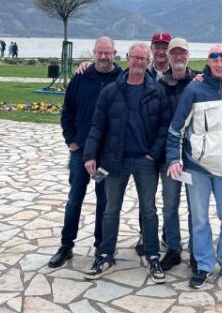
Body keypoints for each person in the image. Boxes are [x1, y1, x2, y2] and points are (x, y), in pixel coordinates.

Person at [82, 43, 170, 283]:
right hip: (115, 161)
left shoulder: (157, 90)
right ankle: (105, 254)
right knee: (111, 210)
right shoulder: (111, 91)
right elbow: (98, 125)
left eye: (144, 59)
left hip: (145, 161)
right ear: (128, 59)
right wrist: (90, 154)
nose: (139, 62)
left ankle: (152, 255)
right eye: (136, 58)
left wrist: (153, 153)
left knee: (149, 210)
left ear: (148, 61)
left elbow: (165, 125)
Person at [166, 44, 222, 288]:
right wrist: (173, 158)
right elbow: (175, 128)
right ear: (208, 62)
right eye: (215, 59)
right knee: (200, 219)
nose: (220, 63)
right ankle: (203, 264)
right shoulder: (194, 89)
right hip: (198, 167)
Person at [48, 37, 122, 269]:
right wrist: (71, 141)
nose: (103, 57)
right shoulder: (81, 78)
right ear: (93, 53)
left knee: (104, 201)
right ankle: (66, 245)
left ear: (114, 53)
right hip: (81, 152)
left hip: (105, 155)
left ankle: (102, 247)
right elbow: (67, 112)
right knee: (74, 200)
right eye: (99, 53)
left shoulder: (121, 78)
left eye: (107, 53)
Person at [157, 37, 198, 272]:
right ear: (169, 57)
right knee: (170, 204)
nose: (179, 57)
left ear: (188, 55)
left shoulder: (200, 81)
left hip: (194, 156)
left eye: (183, 53)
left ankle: (195, 249)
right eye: (175, 54)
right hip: (169, 157)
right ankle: (173, 248)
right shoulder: (161, 85)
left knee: (195, 206)